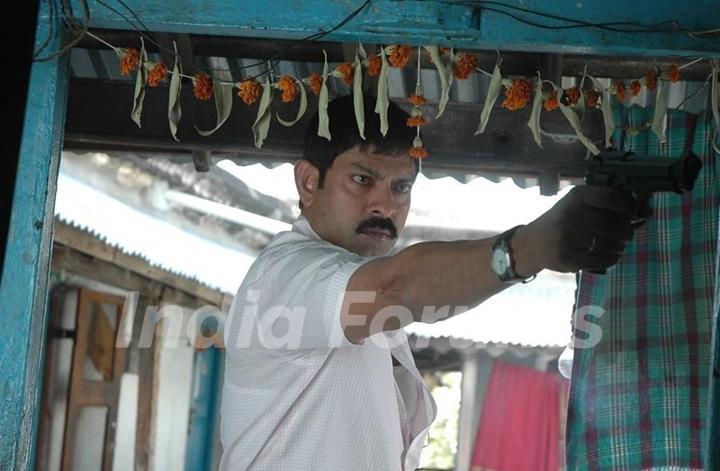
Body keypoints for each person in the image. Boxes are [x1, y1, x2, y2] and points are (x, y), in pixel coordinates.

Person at [219, 95, 637, 470]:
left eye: (401, 187)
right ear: (309, 182)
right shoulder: (285, 274)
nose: (384, 205)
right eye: (362, 180)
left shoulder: (356, 295)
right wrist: (526, 249)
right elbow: (396, 285)